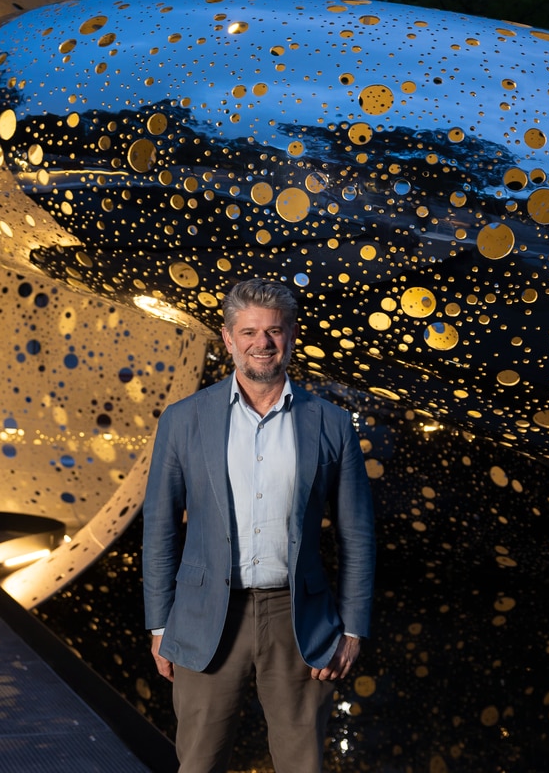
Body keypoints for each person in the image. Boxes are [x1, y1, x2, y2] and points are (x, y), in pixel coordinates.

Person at [142, 278, 376, 773]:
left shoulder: (332, 423)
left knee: (302, 765)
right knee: (199, 763)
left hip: (300, 620)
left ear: (291, 335)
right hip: (206, 617)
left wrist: (353, 630)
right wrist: (160, 625)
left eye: (273, 331)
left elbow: (357, 535)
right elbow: (160, 528)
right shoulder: (183, 420)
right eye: (249, 332)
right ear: (228, 338)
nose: (261, 343)